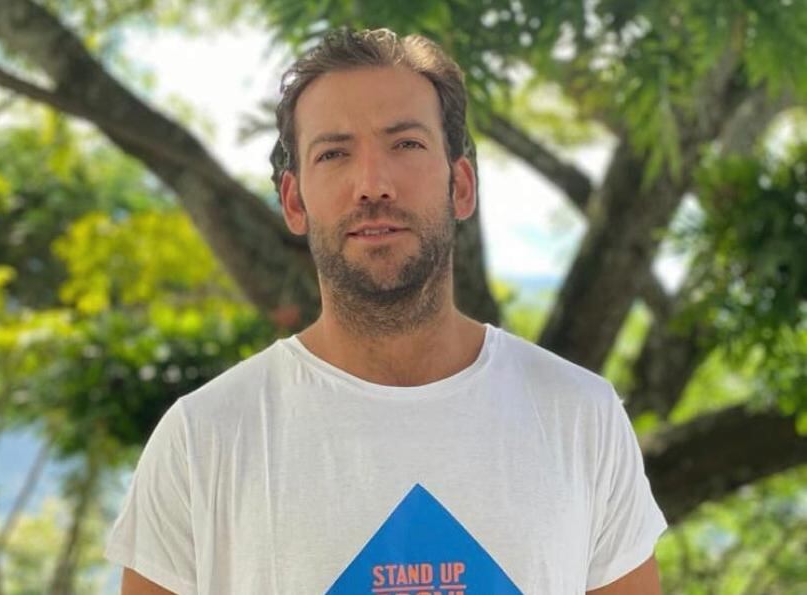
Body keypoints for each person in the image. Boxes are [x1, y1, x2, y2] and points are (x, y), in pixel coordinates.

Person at [106, 28, 667, 595]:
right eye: (334, 154)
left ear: (461, 186)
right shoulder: (202, 440)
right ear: (294, 202)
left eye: (406, 145)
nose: (372, 185)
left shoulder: (581, 417)